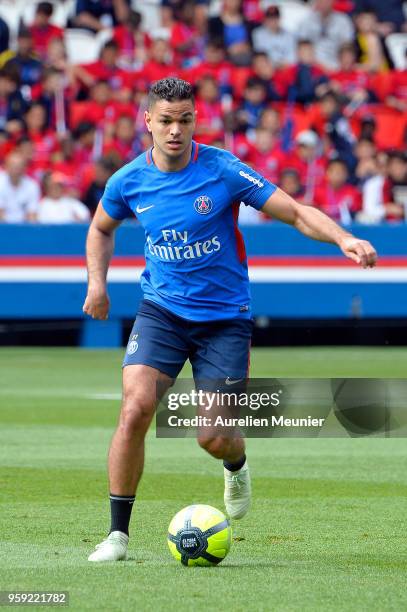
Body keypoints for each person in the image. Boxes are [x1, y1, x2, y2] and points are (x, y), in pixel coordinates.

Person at [83, 77, 377, 562]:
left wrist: (343, 238)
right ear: (147, 122)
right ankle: (117, 535)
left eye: (185, 120)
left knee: (212, 436)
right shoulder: (128, 181)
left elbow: (296, 212)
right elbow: (100, 229)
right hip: (160, 311)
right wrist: (97, 283)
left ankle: (236, 463)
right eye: (166, 121)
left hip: (224, 319)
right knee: (135, 409)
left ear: (195, 119)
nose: (175, 130)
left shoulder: (222, 170)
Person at [0, 152, 40, 222]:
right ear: (6, 166)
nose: (16, 169)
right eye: (13, 165)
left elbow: (32, 214)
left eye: (19, 166)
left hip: (24, 227)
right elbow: (1, 213)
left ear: (25, 167)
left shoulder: (32, 186)